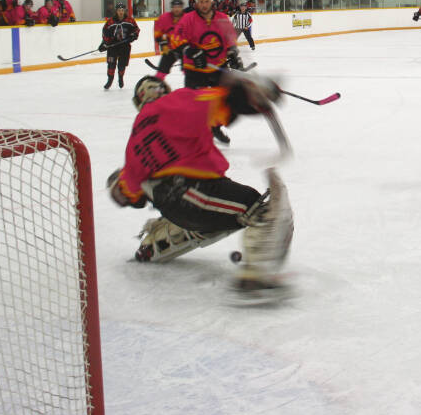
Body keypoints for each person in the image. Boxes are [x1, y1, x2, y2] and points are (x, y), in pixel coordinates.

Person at [107, 73, 294, 297]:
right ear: (163, 91)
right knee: (256, 208)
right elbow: (226, 102)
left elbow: (131, 194)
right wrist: (252, 92)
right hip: (192, 193)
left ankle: (156, 245)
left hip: (175, 205)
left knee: (216, 211)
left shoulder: (136, 136)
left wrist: (119, 186)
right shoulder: (177, 102)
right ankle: (255, 279)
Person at [156, 0, 243, 143]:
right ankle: (194, 133)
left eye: (207, 1)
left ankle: (215, 126)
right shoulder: (188, 19)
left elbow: (230, 39)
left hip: (218, 66)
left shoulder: (222, 18)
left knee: (225, 101)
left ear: (212, 1)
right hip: (194, 69)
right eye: (201, 2)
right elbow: (176, 39)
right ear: (196, 2)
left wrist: (233, 54)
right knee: (194, 104)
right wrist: (191, 51)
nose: (204, 5)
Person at [99, 2, 140, 89]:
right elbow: (105, 32)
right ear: (116, 11)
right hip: (113, 46)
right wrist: (105, 43)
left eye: (122, 10)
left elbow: (136, 29)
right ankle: (110, 80)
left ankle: (120, 77)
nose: (121, 12)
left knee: (122, 64)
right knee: (111, 64)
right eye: (119, 10)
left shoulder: (130, 20)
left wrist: (133, 35)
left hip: (125, 46)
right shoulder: (110, 22)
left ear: (125, 11)